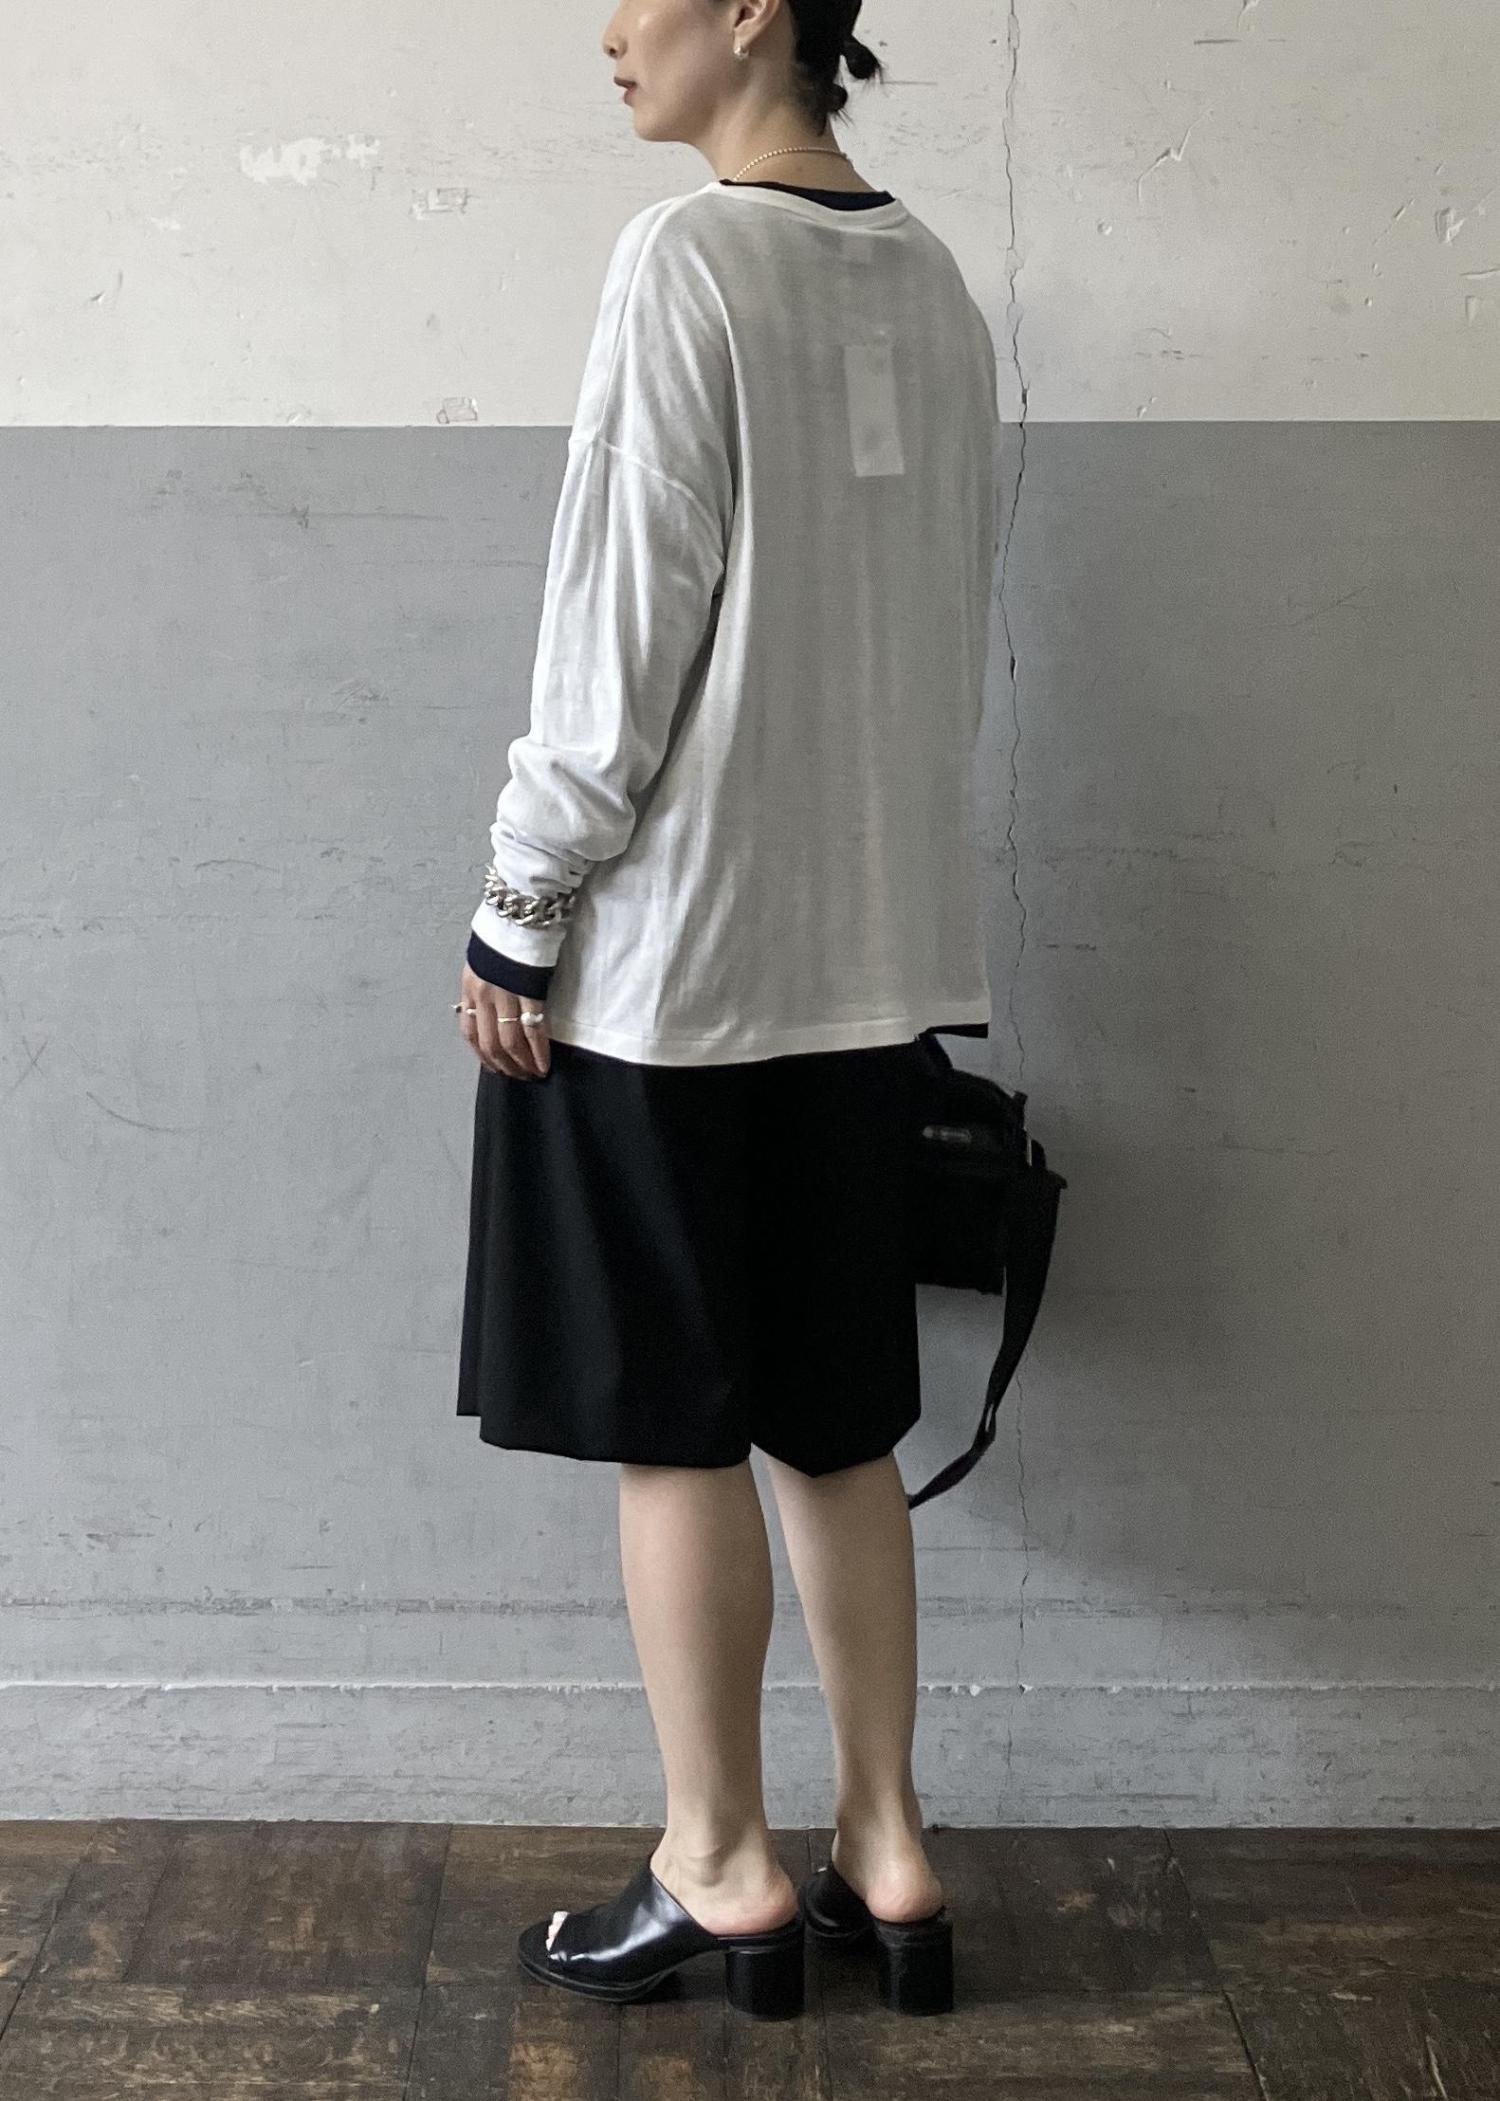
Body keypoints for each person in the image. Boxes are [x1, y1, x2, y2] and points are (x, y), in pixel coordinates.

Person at [452, 0, 1000, 2021]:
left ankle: (722, 1859)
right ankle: (890, 1843)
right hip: (869, 963)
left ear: (755, 11)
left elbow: (624, 615)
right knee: (837, 1415)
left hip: (675, 968)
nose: (608, 31)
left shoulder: (685, 261)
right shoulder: (935, 284)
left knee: (675, 1422)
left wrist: (525, 902)